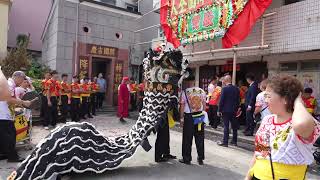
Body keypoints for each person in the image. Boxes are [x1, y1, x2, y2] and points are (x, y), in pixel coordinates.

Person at [245, 75, 320, 180]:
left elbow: (301, 125)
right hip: (257, 175)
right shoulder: (267, 120)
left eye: (268, 96)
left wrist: (298, 101)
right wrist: (248, 175)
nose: (265, 100)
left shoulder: (303, 123)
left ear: (285, 99)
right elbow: (259, 152)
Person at [0, 71, 32, 162]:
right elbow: (9, 99)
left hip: (4, 114)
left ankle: (4, 153)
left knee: (6, 135)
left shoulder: (9, 84)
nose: (22, 81)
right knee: (10, 136)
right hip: (3, 115)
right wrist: (23, 102)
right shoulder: (9, 84)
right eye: (22, 79)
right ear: (18, 77)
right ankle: (12, 157)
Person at [179, 74, 206, 165]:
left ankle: (187, 158)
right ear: (195, 81)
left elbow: (182, 106)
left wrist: (181, 118)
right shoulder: (201, 91)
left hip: (189, 117)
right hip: (199, 116)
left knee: (187, 138)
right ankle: (200, 158)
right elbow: (204, 105)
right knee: (199, 137)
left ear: (187, 82)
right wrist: (203, 116)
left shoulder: (185, 92)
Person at [217, 75, 240, 147]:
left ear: (226, 80)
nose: (222, 81)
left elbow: (222, 100)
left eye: (223, 80)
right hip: (233, 110)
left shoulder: (224, 89)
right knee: (234, 127)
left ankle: (225, 142)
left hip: (225, 110)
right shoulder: (236, 89)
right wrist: (236, 109)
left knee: (226, 126)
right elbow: (238, 100)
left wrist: (219, 110)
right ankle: (234, 141)